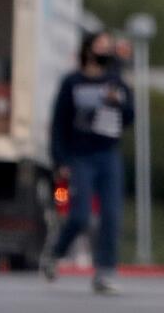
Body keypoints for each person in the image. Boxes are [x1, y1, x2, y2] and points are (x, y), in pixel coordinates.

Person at [42, 31, 134, 294]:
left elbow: (129, 117)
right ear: (88, 49)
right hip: (80, 156)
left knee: (111, 215)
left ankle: (105, 272)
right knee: (79, 215)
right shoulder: (72, 83)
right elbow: (59, 124)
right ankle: (55, 252)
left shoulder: (116, 82)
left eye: (109, 46)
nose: (105, 51)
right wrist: (59, 159)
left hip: (108, 155)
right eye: (100, 46)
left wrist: (121, 104)